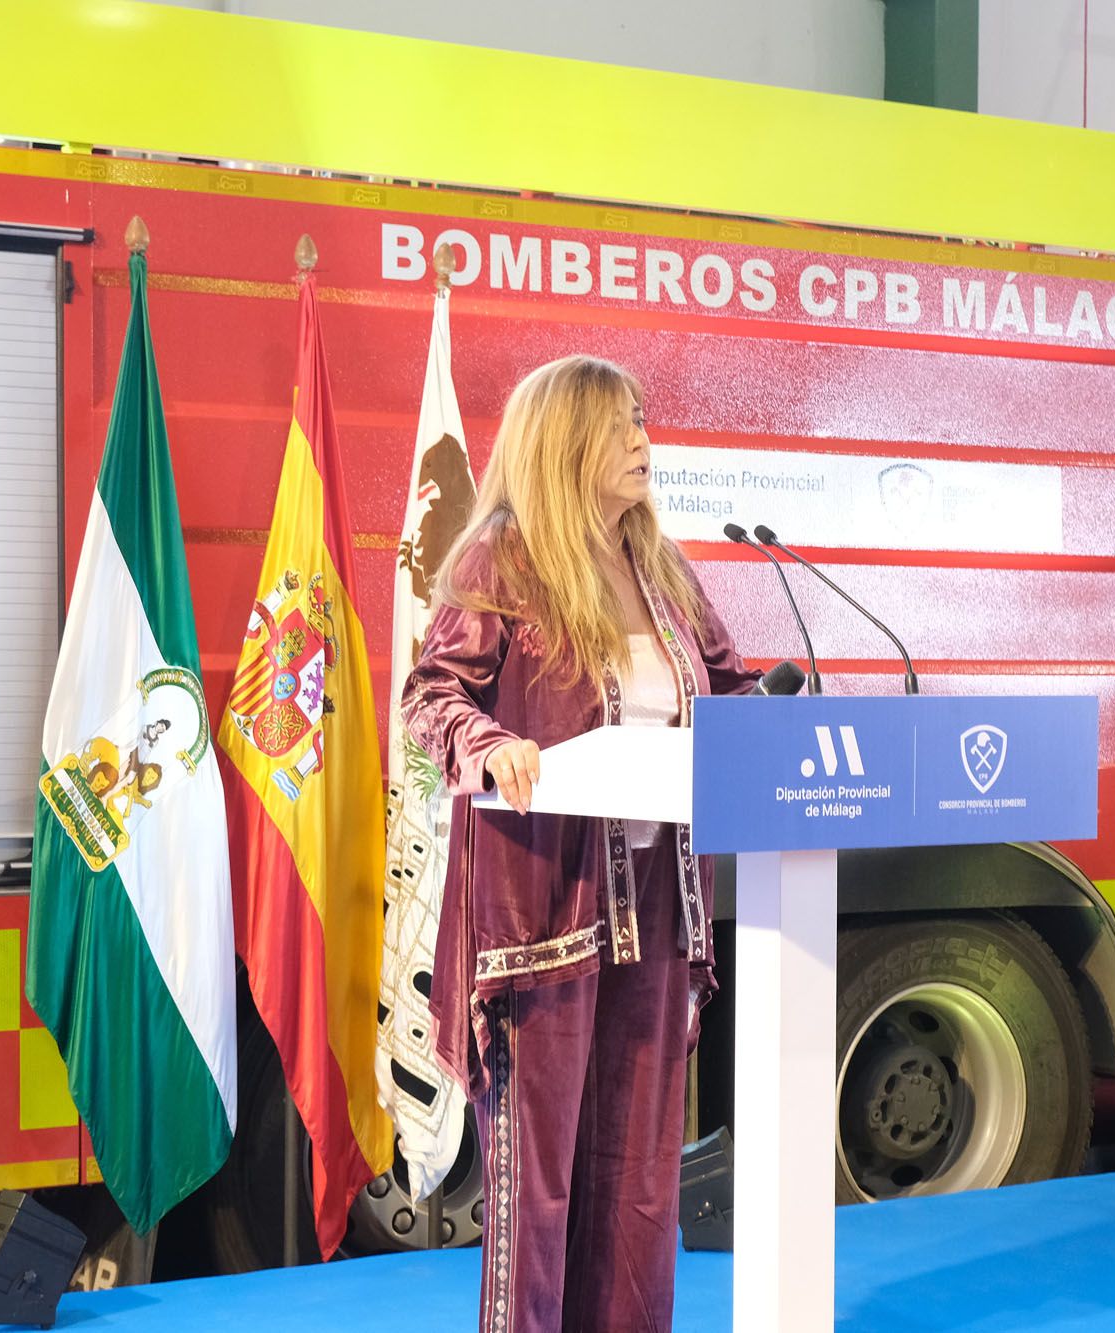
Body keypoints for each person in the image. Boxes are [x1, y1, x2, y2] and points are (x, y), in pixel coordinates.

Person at [402, 355, 760, 1333]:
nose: (644, 441)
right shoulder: (501, 560)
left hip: (655, 902)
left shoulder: (662, 569)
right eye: (620, 426)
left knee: (637, 1185)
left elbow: (730, 696)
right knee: (540, 1192)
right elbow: (430, 697)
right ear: (566, 442)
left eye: (642, 422)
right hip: (540, 916)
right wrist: (490, 742)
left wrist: (797, 721)